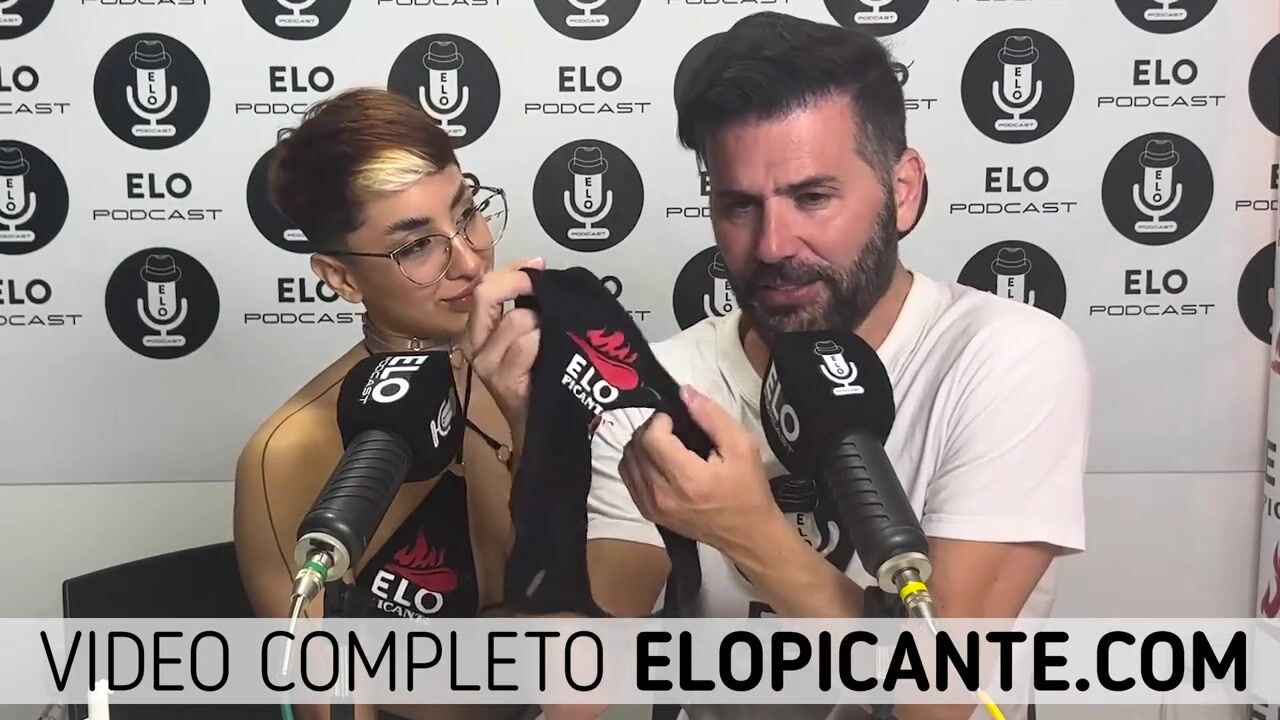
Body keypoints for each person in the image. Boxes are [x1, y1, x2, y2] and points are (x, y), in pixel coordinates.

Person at [472, 11, 1091, 720]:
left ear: (904, 190)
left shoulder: (1008, 357)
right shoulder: (661, 384)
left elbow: (939, 696)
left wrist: (752, 534)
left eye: (812, 198)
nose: (771, 245)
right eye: (739, 205)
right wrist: (544, 443)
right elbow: (579, 690)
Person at [233, 87, 543, 720]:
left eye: (467, 214)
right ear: (342, 277)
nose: (469, 260)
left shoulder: (539, 369)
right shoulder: (289, 453)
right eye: (416, 246)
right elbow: (331, 703)